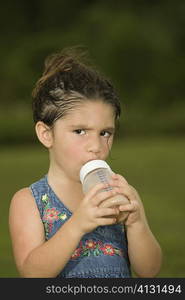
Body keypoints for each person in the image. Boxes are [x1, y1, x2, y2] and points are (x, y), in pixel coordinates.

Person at [9, 46, 162, 278]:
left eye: (105, 133)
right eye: (80, 131)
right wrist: (77, 224)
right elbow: (32, 274)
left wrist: (136, 223)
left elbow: (149, 272)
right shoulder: (30, 201)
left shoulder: (120, 195)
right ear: (46, 134)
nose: (96, 145)